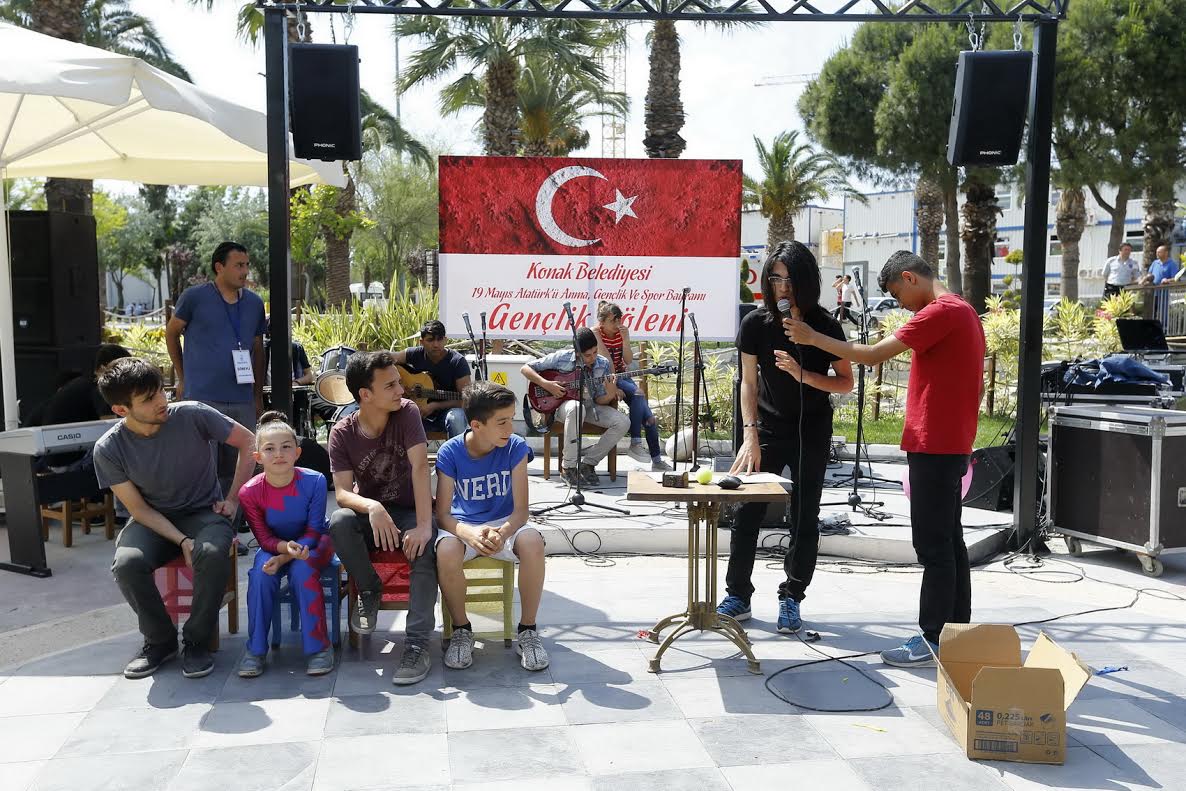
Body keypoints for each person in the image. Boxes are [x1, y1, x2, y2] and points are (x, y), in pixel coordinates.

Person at [783, 250, 985, 668]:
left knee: (933, 546)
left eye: (897, 295)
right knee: (950, 542)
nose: (900, 305)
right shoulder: (964, 311)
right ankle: (956, 634)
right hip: (951, 442)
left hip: (935, 444)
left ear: (910, 278)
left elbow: (873, 355)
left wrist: (812, 338)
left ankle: (933, 638)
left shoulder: (941, 312)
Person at [715, 241, 853, 634]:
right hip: (766, 429)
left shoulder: (826, 326)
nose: (783, 288)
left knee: (805, 517)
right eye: (775, 279)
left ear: (806, 281)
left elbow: (845, 382)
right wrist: (749, 434)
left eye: (790, 280)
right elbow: (747, 382)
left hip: (812, 428)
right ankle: (738, 595)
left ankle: (792, 596)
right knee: (748, 511)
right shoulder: (755, 324)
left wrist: (802, 372)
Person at [95, 358, 257, 680]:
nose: (162, 401)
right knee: (127, 564)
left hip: (204, 512)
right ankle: (160, 641)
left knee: (212, 553)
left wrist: (233, 499)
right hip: (152, 520)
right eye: (148, 398)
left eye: (160, 391)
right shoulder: (109, 448)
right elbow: (139, 510)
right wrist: (181, 540)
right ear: (121, 410)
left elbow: (249, 441)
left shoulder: (193, 414)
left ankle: (196, 642)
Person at [328, 351, 437, 685]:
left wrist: (423, 525)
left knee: (423, 548)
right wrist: (373, 507)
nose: (400, 390)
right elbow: (342, 493)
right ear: (365, 394)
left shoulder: (407, 413)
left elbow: (421, 467)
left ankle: (417, 644)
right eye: (390, 385)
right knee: (339, 522)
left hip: (409, 510)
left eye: (398, 382)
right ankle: (369, 590)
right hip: (372, 513)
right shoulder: (342, 432)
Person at [434, 381, 549, 671]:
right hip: (464, 526)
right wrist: (469, 534)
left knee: (533, 542)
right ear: (476, 424)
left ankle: (528, 630)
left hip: (505, 524)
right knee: (446, 551)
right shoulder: (450, 452)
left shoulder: (515, 447)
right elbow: (443, 514)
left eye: (511, 419)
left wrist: (503, 532)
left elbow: (521, 511)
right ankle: (462, 630)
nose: (510, 428)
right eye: (502, 422)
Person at [166, 241, 267, 509]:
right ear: (219, 267)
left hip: (242, 398)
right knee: (205, 468)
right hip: (202, 397)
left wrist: (257, 395)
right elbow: (171, 333)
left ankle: (236, 521)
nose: (245, 271)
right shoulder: (194, 297)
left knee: (242, 467)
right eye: (238, 265)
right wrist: (183, 377)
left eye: (247, 265)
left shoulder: (255, 303)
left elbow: (258, 348)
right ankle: (209, 523)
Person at [237, 411, 335, 678]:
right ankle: (255, 649)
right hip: (273, 545)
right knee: (260, 575)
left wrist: (284, 558)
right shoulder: (249, 492)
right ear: (258, 457)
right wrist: (282, 552)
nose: (278, 454)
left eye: (286, 447)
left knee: (302, 571)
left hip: (315, 543)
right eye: (269, 449)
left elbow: (314, 530)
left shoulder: (315, 481)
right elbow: (263, 538)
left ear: (297, 453)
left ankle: (319, 648)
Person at [520, 327, 629, 488]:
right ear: (577, 353)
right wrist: (547, 385)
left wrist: (610, 393)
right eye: (587, 355)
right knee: (577, 408)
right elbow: (525, 368)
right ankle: (568, 467)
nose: (593, 357)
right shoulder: (562, 358)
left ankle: (588, 463)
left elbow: (600, 400)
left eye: (595, 352)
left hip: (590, 406)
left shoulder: (603, 364)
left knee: (623, 422)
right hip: (564, 407)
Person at [593, 301, 671, 472]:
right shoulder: (595, 332)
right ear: (602, 322)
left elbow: (627, 360)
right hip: (606, 377)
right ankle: (636, 443)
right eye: (613, 321)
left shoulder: (621, 333)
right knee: (638, 393)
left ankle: (655, 459)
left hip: (623, 375)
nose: (617, 324)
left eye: (619, 320)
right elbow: (607, 362)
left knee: (649, 418)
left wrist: (626, 340)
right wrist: (614, 387)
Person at [33, 343, 131, 470]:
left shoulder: (81, 384)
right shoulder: (100, 388)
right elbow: (111, 430)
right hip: (71, 459)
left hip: (54, 458)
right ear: (103, 368)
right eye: (121, 370)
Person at [391, 320, 471, 439]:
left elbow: (466, 400)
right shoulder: (415, 354)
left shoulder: (457, 362)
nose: (436, 344)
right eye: (430, 340)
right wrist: (398, 383)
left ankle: (458, 451)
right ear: (421, 342)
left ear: (445, 340)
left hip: (446, 414)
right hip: (416, 413)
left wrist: (435, 406)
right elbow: (387, 357)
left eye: (439, 339)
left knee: (456, 417)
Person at [264, 317, 314, 386]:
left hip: (293, 391)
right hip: (268, 391)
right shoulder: (264, 349)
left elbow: (309, 376)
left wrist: (296, 383)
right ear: (269, 333)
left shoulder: (297, 348)